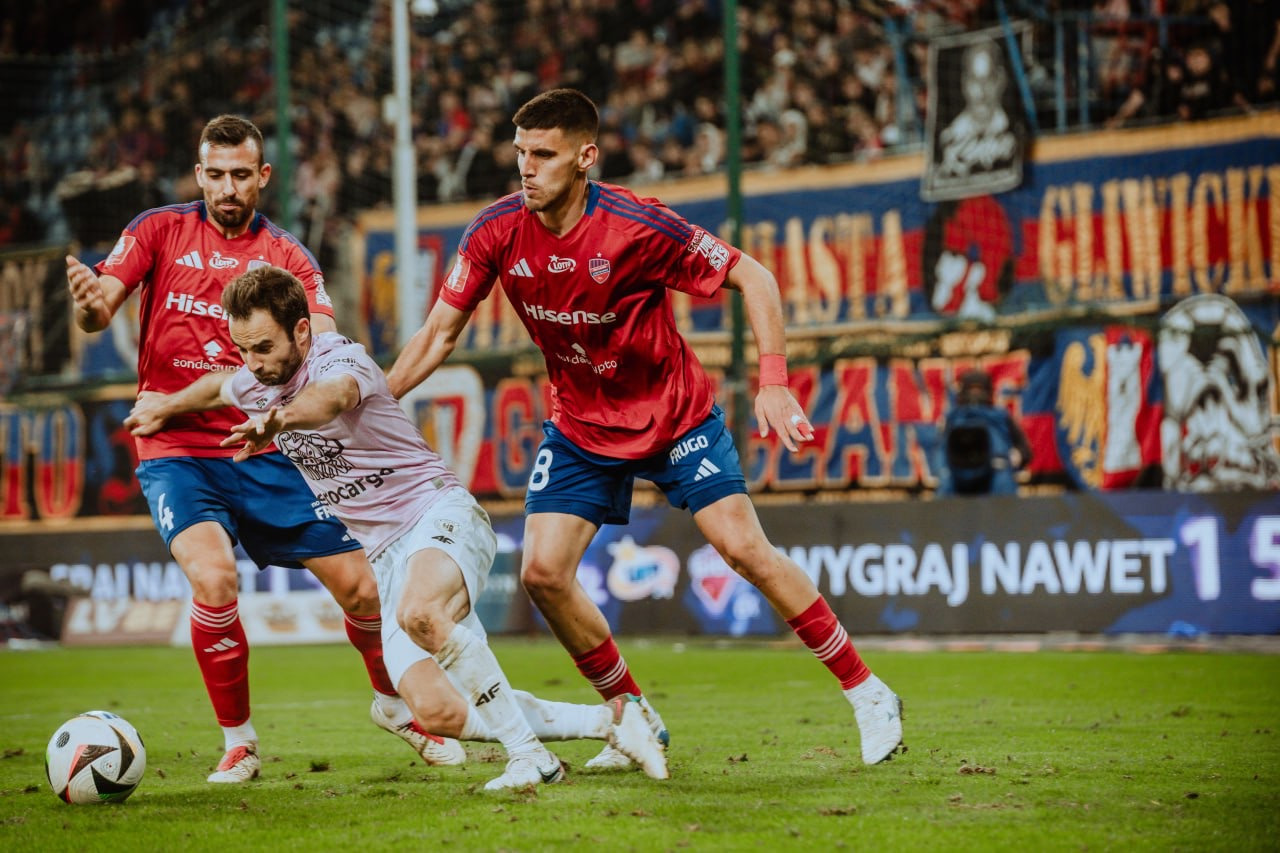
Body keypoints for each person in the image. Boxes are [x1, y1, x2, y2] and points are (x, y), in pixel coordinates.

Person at [384, 88, 905, 770]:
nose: (527, 169)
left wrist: (774, 381)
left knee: (744, 549)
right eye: (520, 154)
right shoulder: (495, 230)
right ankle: (634, 718)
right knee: (543, 573)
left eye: (544, 155)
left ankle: (868, 690)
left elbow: (755, 277)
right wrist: (374, 403)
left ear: (585, 157)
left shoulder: (637, 224)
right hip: (580, 427)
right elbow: (437, 334)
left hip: (673, 416)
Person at [128, 265, 669, 789]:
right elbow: (218, 386)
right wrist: (165, 407)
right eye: (243, 348)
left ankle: (531, 758)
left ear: (301, 331)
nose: (254, 363)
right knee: (437, 712)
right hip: (386, 556)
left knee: (420, 613)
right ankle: (614, 722)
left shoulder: (341, 359)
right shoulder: (255, 380)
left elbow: (333, 398)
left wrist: (280, 420)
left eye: (264, 348)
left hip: (437, 513)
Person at [66, 114, 462, 784]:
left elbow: (323, 339)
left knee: (363, 589)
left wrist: (323, 392)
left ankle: (395, 707)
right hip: (177, 447)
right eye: (216, 174)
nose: (228, 187)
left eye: (241, 175)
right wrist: (87, 304)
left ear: (263, 176)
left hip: (271, 444)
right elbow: (100, 307)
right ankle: (240, 742)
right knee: (214, 578)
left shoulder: (287, 256)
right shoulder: (158, 229)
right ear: (199, 174)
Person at [935, 369, 1033, 497]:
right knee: (945, 485)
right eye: (971, 390)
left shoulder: (1001, 416)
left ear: (988, 391)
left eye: (979, 389)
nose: (975, 394)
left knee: (1003, 483)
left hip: (995, 471)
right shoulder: (952, 417)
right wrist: (943, 469)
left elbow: (1025, 450)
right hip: (957, 473)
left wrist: (1015, 457)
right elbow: (940, 449)